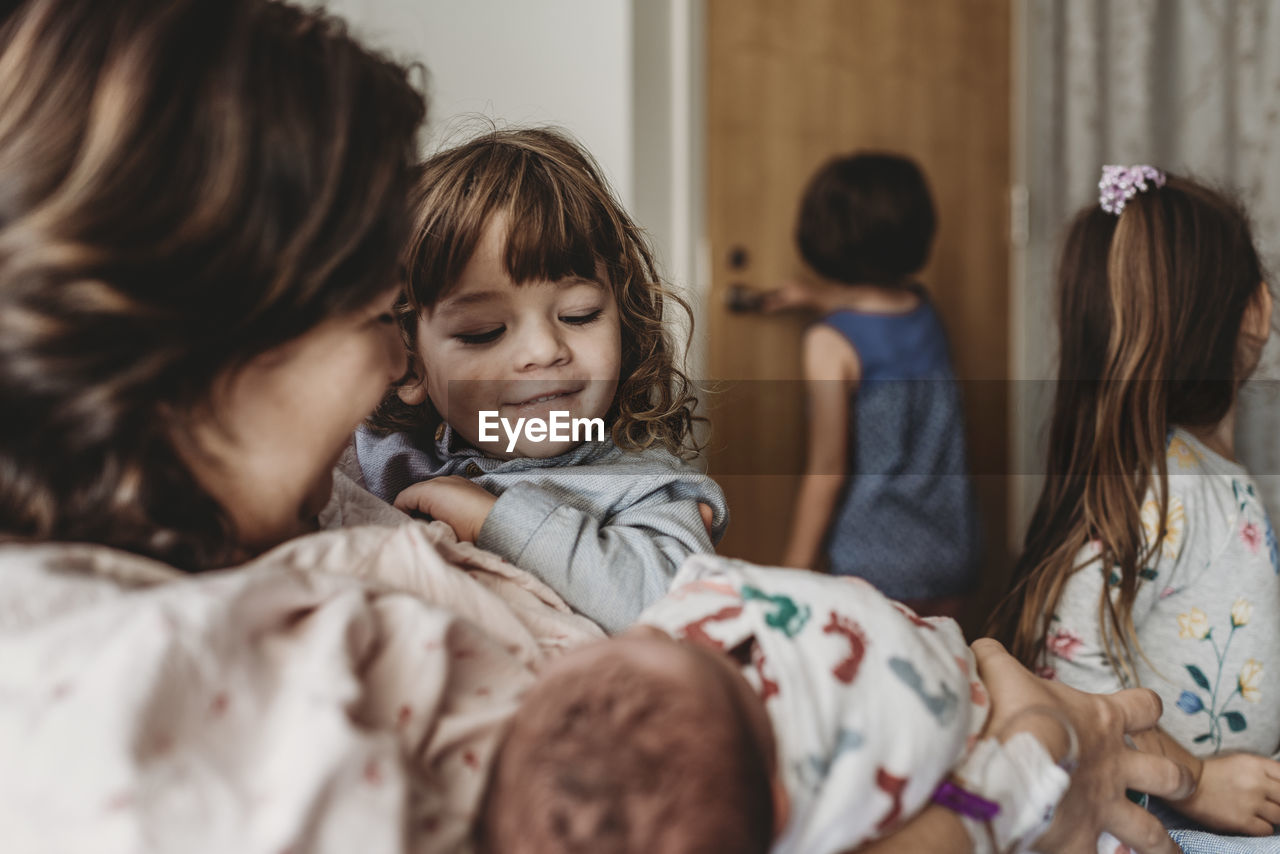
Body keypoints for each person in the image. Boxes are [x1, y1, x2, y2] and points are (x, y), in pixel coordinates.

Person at [0, 1, 1193, 850]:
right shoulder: (150, 673)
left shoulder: (327, 503)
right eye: (385, 314)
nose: (388, 363)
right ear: (204, 328)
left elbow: (675, 579)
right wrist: (1030, 775)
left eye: (576, 314)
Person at [477, 555, 1194, 854]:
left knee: (1121, 728)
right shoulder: (880, 754)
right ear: (783, 812)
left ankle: (1190, 774)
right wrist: (1035, 724)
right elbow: (1005, 793)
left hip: (933, 657)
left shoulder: (699, 630)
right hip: (974, 710)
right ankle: (1194, 780)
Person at [988, 166, 1280, 836]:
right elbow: (1068, 686)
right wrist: (1197, 779)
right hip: (1154, 822)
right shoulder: (1165, 487)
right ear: (1256, 309)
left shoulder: (1189, 477)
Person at [354, 128, 728, 633]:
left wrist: (495, 522)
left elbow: (677, 609)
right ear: (411, 363)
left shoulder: (642, 489)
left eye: (579, 315)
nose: (544, 351)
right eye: (483, 332)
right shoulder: (375, 455)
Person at [763, 152, 978, 618]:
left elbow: (828, 469)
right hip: (952, 553)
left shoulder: (830, 342)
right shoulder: (924, 309)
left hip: (875, 567)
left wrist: (791, 575)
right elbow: (880, 308)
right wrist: (818, 296)